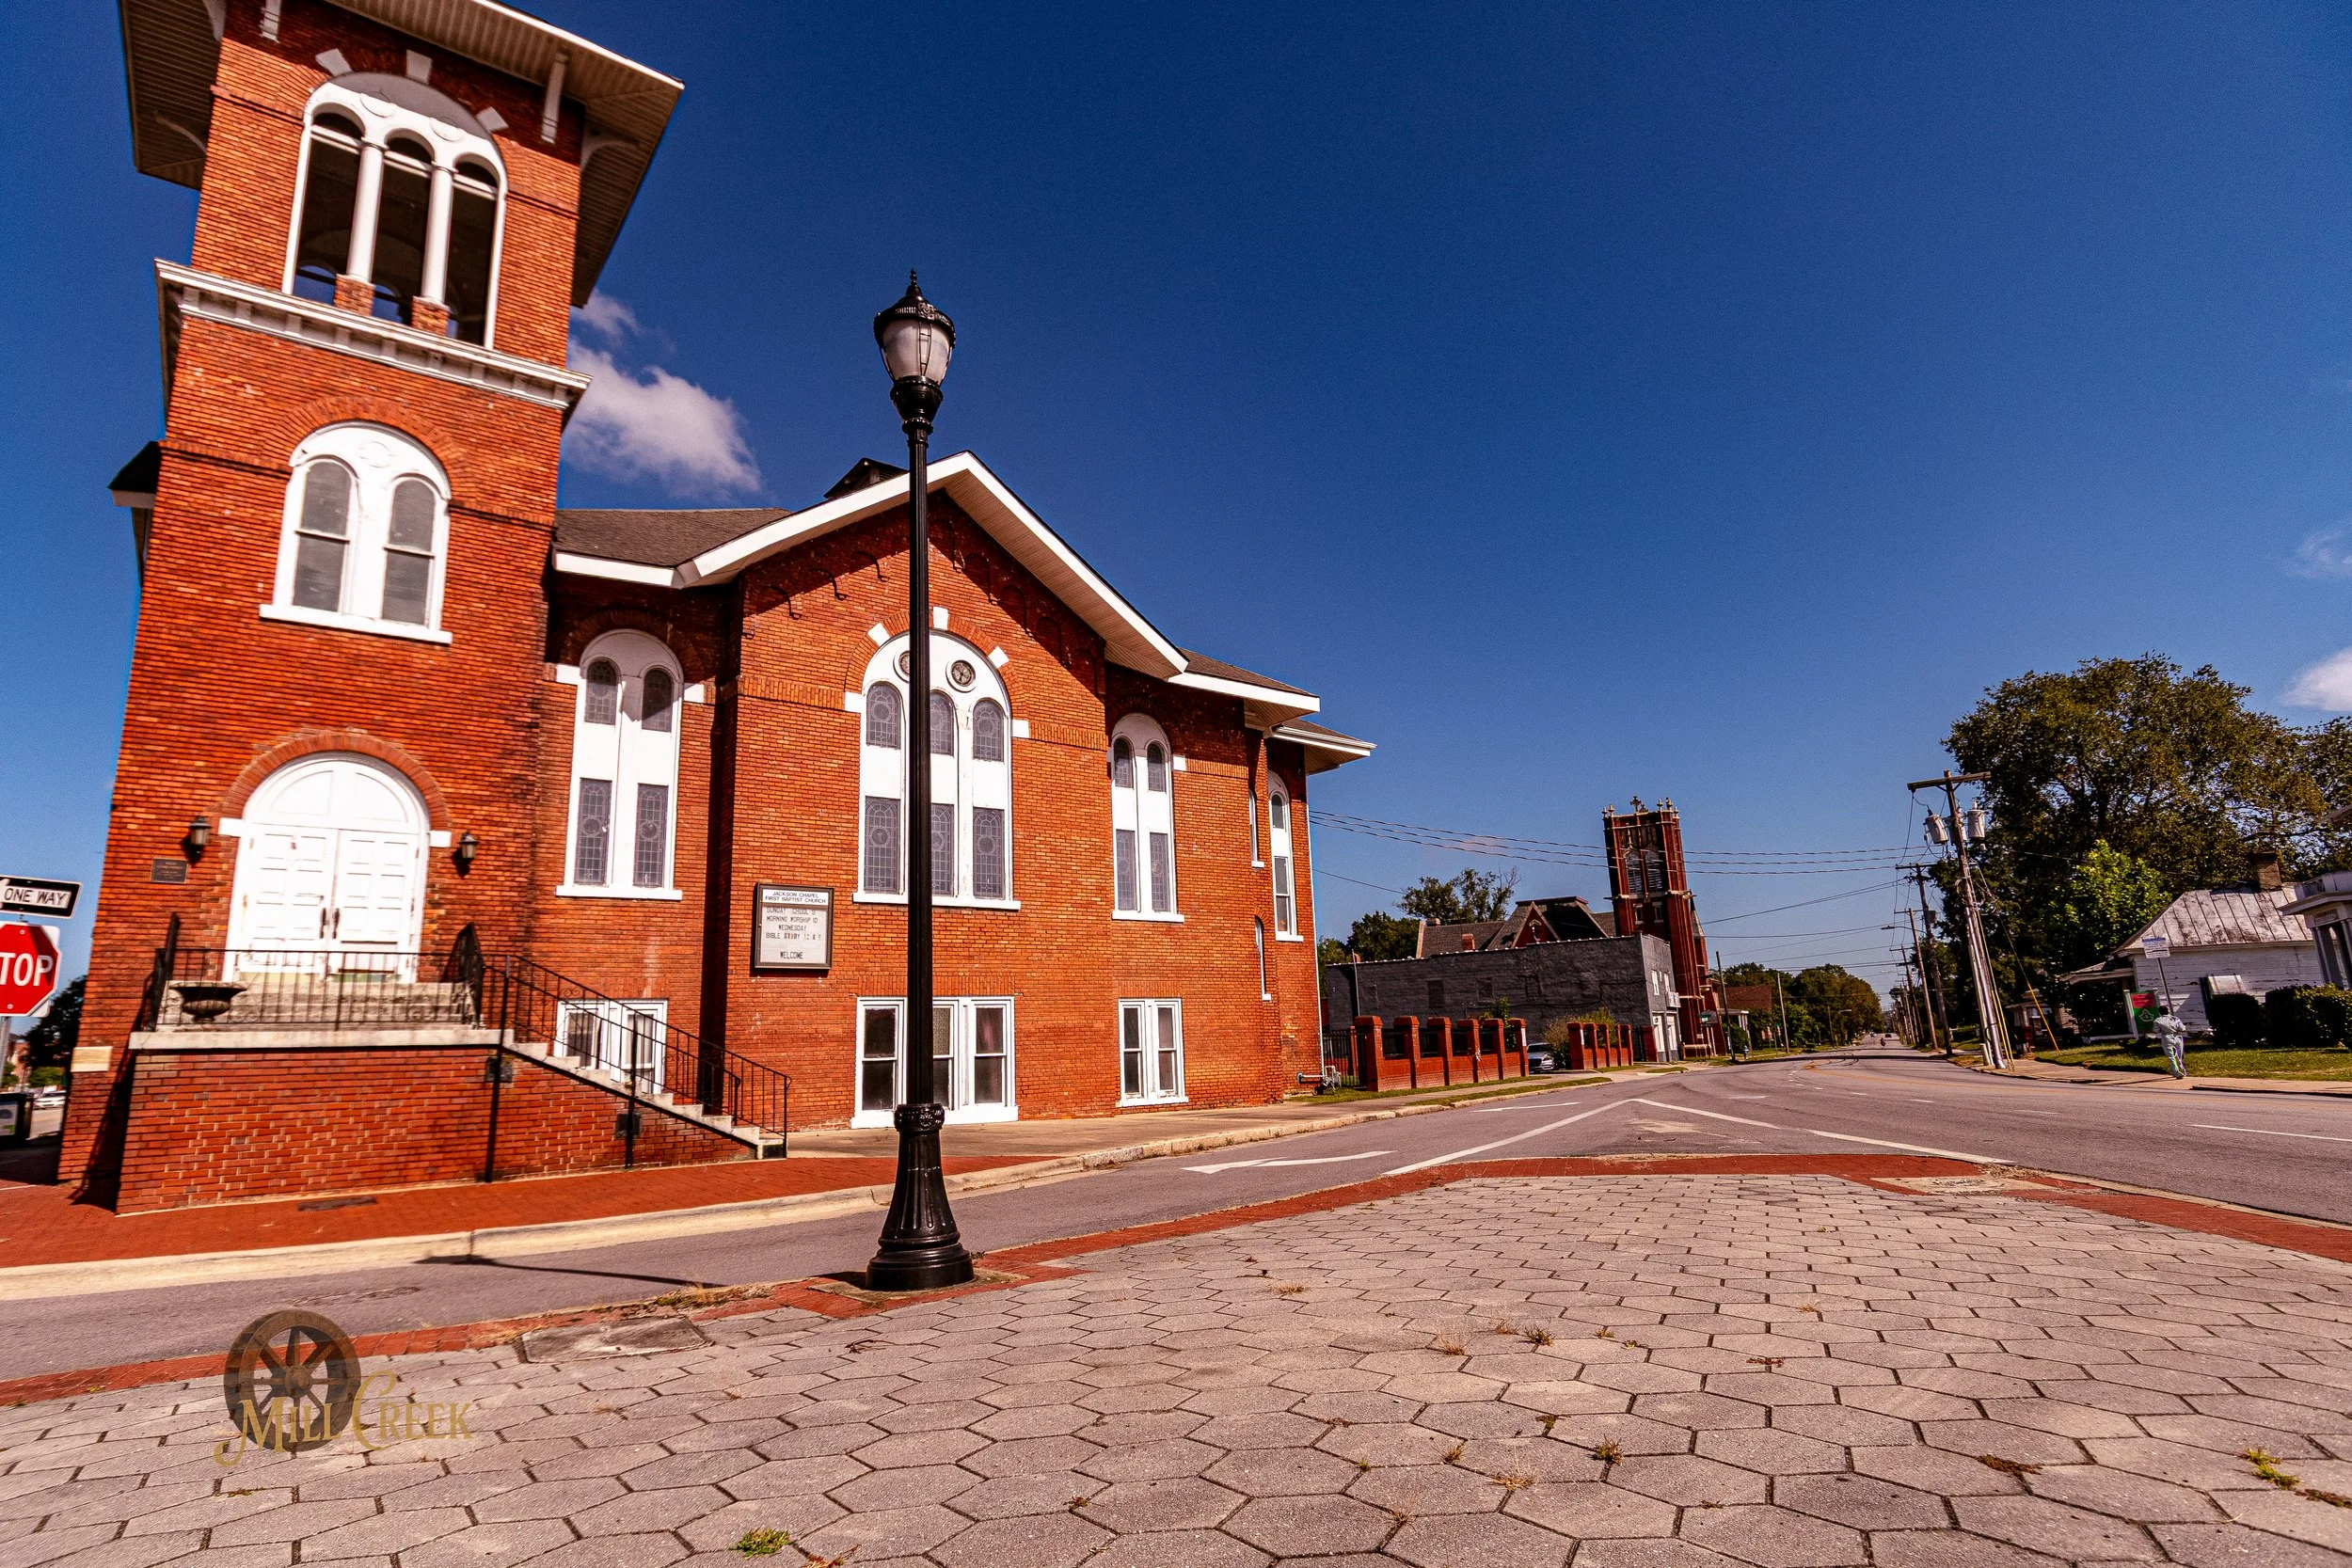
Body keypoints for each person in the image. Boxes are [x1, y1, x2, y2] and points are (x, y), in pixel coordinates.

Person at [2151, 1007, 2188, 1080]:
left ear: (2160, 1012)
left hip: (2167, 1037)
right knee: (2179, 1054)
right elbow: (2182, 1028)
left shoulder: (2157, 1020)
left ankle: (2176, 1072)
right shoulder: (2175, 1018)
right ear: (2168, 1011)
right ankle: (2182, 1070)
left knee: (2171, 1056)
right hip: (2177, 1037)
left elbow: (2156, 1031)